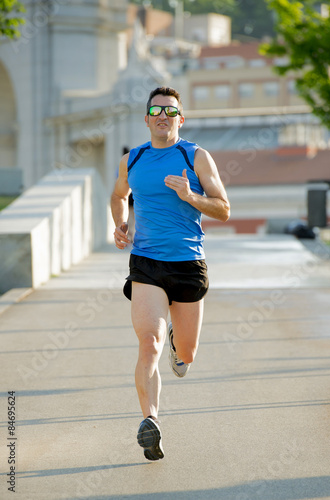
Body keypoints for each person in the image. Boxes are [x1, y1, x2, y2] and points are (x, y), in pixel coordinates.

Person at [111, 86, 230, 461]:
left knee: (186, 355)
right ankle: (151, 421)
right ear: (146, 118)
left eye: (170, 111)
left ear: (181, 118)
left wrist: (191, 196)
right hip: (146, 263)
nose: (163, 116)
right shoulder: (133, 159)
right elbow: (118, 195)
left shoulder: (194, 156)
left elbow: (224, 209)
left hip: (188, 262)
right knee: (149, 342)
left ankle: (181, 345)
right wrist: (122, 224)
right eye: (156, 110)